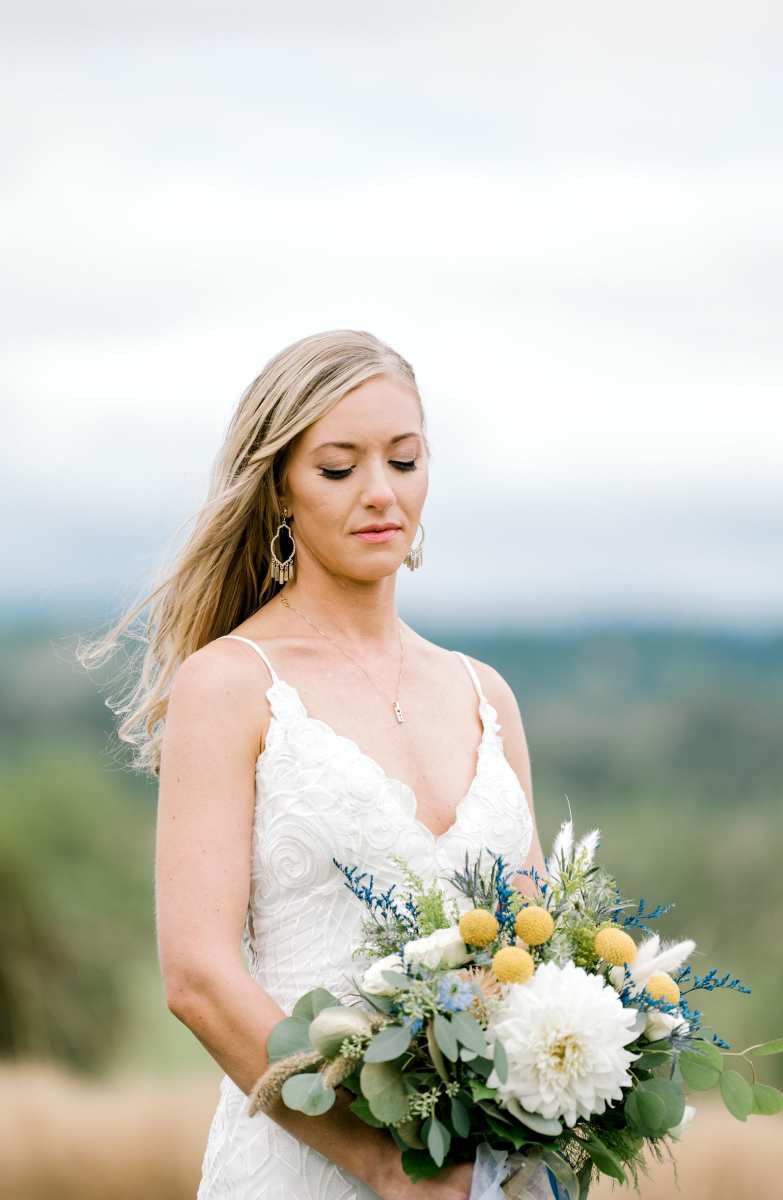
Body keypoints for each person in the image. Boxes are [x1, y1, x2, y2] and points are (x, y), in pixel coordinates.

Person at [96, 329, 547, 1199]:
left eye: (404, 460)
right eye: (339, 468)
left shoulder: (485, 694)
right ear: (279, 488)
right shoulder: (230, 684)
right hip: (303, 1168)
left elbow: (537, 954)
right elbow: (197, 978)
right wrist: (382, 1164)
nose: (381, 491)